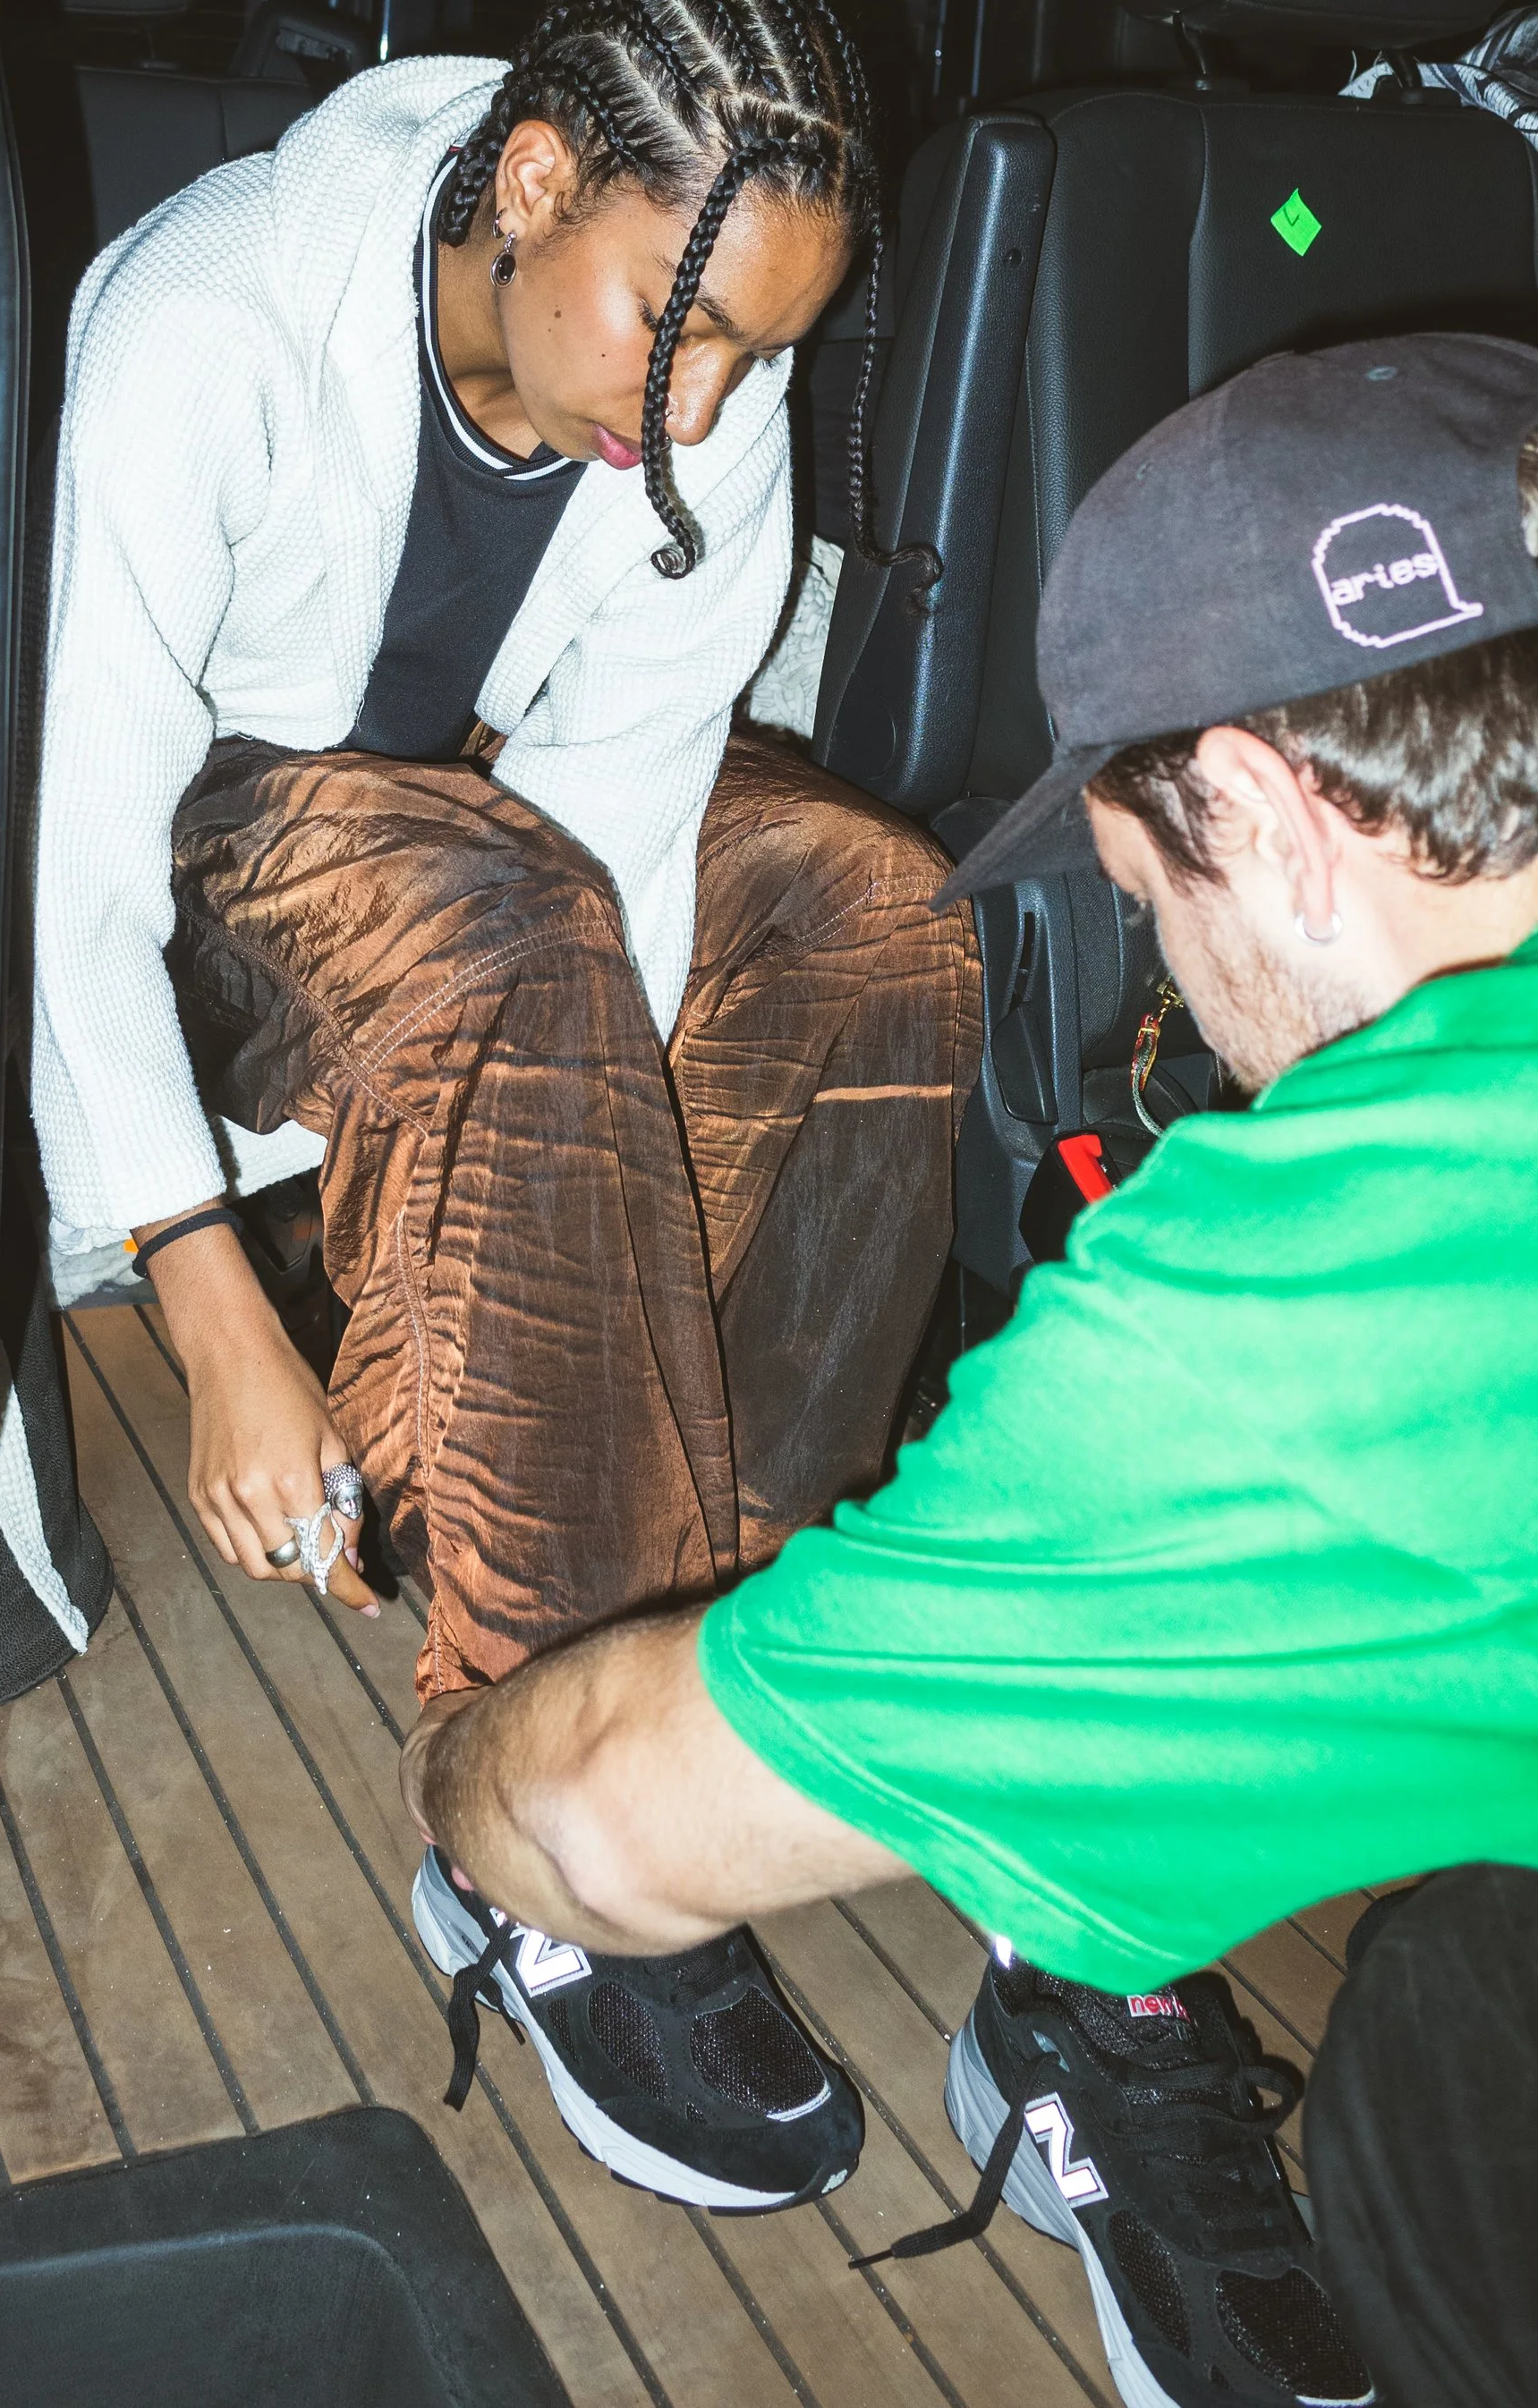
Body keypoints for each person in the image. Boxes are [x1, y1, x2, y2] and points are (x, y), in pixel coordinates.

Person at [400, 331, 1538, 2408]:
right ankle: (1090, 1934)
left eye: (1140, 902)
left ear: (1270, 826)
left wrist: (464, 1774)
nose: (1177, 1003)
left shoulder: (1308, 1283)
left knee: (1443, 2079)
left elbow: (595, 1823)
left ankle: (1080, 1912)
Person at [30, 0, 981, 2204]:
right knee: (509, 917)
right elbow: (61, 859)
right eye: (693, 320)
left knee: (866, 910)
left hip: (491, 860)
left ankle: (678, 1674)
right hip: (207, 859)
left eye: (770, 347)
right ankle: (534, 1812)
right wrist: (215, 1309)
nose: (718, 406)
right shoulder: (210, 325)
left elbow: (632, 840)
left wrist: (566, 1266)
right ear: (534, 180)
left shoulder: (697, 425)